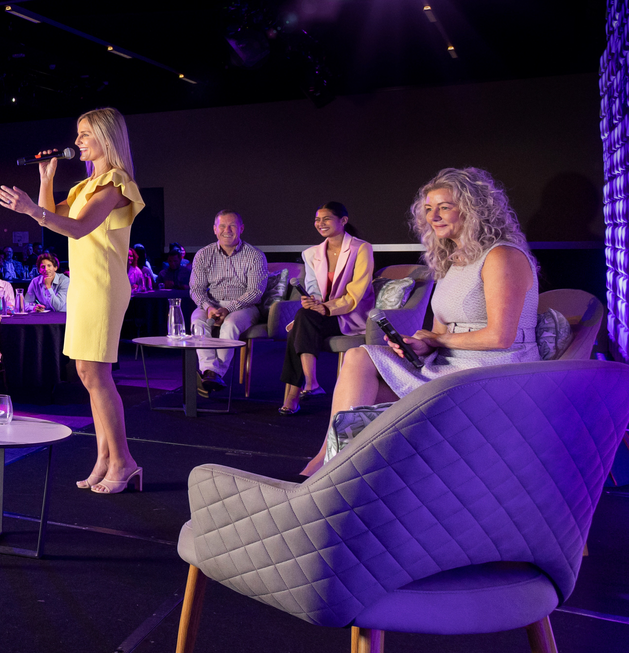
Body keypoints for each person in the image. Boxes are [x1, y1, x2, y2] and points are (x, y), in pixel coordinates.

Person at [309, 168, 541, 476]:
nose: (434, 216)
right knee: (357, 360)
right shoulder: (454, 260)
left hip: (495, 372)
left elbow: (500, 337)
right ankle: (331, 462)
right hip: (450, 365)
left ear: (474, 208)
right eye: (429, 209)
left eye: (445, 207)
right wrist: (420, 345)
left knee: (360, 394)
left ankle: (326, 471)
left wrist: (437, 340)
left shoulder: (502, 256)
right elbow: (442, 331)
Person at [0, 107, 146, 495]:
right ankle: (105, 456)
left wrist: (32, 209)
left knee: (97, 374)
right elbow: (50, 216)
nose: (76, 140)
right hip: (84, 284)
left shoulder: (115, 182)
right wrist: (45, 179)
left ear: (105, 138)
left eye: (84, 134)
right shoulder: (84, 185)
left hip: (103, 285)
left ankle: (124, 460)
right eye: (77, 134)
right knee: (86, 373)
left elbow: (77, 228)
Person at [278, 202, 374, 414]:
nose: (320, 224)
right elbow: (314, 289)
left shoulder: (361, 248)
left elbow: (357, 291)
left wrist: (328, 308)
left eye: (326, 219)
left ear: (343, 221)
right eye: (317, 220)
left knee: (298, 327)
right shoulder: (311, 253)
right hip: (321, 314)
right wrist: (312, 301)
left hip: (350, 314)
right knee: (303, 316)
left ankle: (295, 394)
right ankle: (310, 385)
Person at [187, 212, 268, 394]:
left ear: (241, 228)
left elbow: (255, 292)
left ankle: (216, 373)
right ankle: (209, 371)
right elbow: (196, 289)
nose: (227, 230)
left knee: (230, 324)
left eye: (232, 226)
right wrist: (209, 307)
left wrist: (228, 308)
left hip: (244, 306)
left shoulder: (255, 255)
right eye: (222, 226)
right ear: (215, 229)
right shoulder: (203, 254)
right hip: (211, 303)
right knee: (197, 321)